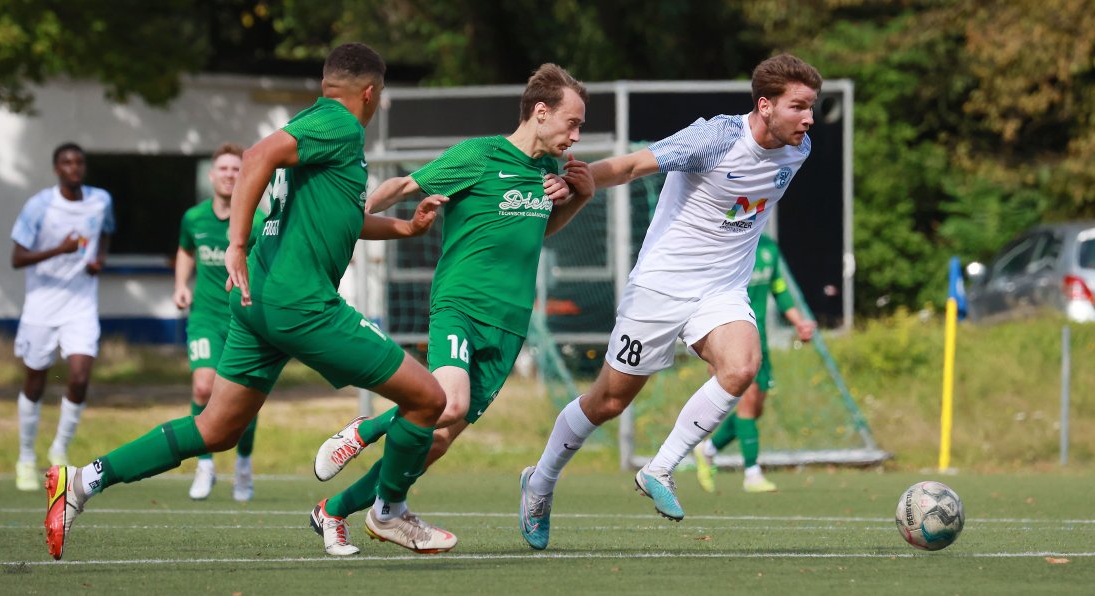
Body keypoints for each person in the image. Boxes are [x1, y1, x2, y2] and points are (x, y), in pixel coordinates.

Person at [42, 42, 453, 560]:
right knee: (430, 399)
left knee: (216, 428)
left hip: (258, 302)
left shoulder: (318, 128)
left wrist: (406, 227)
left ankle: (80, 482)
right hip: (300, 305)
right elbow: (257, 156)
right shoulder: (341, 125)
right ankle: (387, 510)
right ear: (371, 93)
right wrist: (236, 243)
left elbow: (344, 218)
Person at [518, 53, 823, 550]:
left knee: (742, 366)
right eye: (798, 107)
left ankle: (659, 468)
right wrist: (578, 179)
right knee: (610, 401)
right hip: (661, 286)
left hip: (721, 290)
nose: (808, 119)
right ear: (765, 105)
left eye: (812, 107)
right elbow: (636, 165)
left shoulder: (799, 148)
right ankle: (541, 482)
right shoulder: (716, 137)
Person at [309, 63, 593, 556]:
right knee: (449, 404)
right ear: (541, 113)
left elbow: (537, 231)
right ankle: (366, 430)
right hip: (460, 304)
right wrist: (351, 220)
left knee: (435, 441)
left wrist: (577, 197)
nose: (576, 134)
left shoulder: (551, 174)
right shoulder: (479, 154)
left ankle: (334, 509)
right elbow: (404, 186)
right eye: (573, 122)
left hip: (509, 323)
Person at [11, 142, 114, 492]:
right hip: (41, 306)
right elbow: (17, 257)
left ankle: (59, 449)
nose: (74, 167)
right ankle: (26, 457)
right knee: (35, 382)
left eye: (79, 162)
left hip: (81, 305)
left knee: (81, 377)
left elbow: (107, 233)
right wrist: (61, 249)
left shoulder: (101, 200)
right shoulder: (39, 205)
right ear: (56, 169)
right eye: (67, 162)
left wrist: (98, 258)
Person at [172, 142, 266, 502]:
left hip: (245, 320)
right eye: (224, 169)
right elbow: (184, 250)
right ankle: (205, 464)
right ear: (211, 176)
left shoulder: (257, 222)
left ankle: (243, 465)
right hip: (206, 318)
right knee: (202, 387)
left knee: (245, 398)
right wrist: (181, 285)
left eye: (236, 169)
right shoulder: (194, 218)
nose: (230, 174)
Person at [693, 234, 815, 494]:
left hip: (760, 342)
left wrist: (798, 322)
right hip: (730, 338)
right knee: (746, 405)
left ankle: (708, 449)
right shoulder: (727, 241)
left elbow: (779, 290)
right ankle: (752, 473)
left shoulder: (769, 247)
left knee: (755, 409)